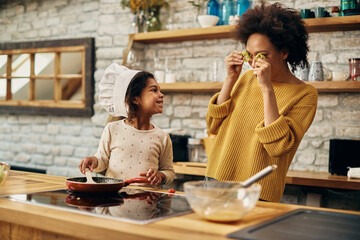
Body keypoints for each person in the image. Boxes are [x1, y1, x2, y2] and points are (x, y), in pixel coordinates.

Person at [205, 1, 318, 202]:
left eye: (262, 55)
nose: (253, 63)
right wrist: (230, 79)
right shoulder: (246, 79)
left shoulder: (305, 94)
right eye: (250, 54)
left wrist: (267, 88)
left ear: (284, 52)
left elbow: (278, 147)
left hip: (259, 190)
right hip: (216, 178)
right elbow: (213, 126)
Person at [79, 63, 175, 186]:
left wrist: (161, 175)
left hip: (148, 201)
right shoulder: (112, 129)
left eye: (160, 90)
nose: (161, 94)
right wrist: (94, 161)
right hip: (114, 199)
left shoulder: (162, 137)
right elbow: (102, 160)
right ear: (135, 99)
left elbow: (169, 172)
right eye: (154, 90)